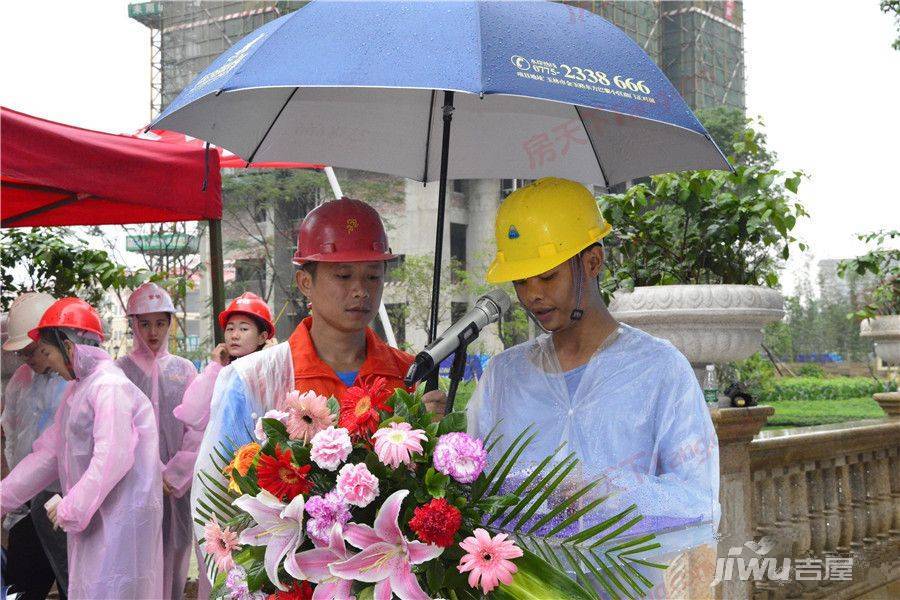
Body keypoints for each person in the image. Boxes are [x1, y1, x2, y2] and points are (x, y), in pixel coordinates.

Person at [467, 178, 720, 568]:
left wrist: (606, 493)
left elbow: (699, 502)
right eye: (520, 280)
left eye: (548, 276)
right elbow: (472, 489)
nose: (532, 294)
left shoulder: (658, 369)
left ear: (593, 262)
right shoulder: (503, 376)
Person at [192, 197, 433, 571]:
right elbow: (213, 504)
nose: (360, 290)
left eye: (373, 275)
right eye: (343, 276)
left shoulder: (409, 378)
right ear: (306, 281)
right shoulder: (252, 380)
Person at [0, 297, 164, 599]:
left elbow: (113, 456)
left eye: (47, 352)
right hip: (96, 524)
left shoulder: (109, 387)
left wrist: (70, 506)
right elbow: (49, 454)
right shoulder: (80, 389)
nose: (46, 362)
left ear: (69, 346)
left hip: (119, 526)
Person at [166, 291, 274, 600]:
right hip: (217, 484)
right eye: (230, 328)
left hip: (257, 485)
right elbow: (191, 413)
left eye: (244, 328)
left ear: (263, 335)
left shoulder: (270, 373)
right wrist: (215, 367)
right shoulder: (221, 373)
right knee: (215, 565)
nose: (235, 334)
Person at [115, 282, 198, 600]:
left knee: (176, 556)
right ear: (133, 324)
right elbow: (118, 431)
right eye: (145, 323)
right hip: (133, 487)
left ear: (170, 323)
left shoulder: (184, 369)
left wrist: (175, 474)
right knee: (137, 561)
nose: (153, 331)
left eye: (160, 323)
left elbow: (196, 429)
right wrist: (150, 469)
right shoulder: (120, 372)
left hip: (175, 493)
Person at [1, 292, 69, 600]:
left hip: (65, 503)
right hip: (25, 505)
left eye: (34, 351)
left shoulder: (75, 382)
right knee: (21, 588)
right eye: (23, 354)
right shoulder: (20, 379)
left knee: (74, 585)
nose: (29, 359)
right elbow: (12, 434)